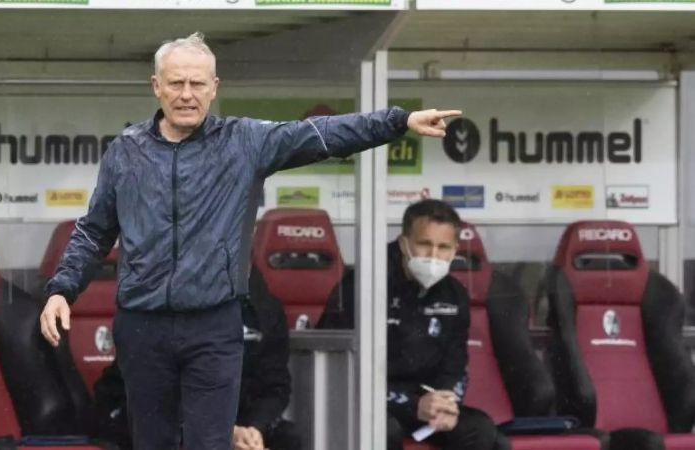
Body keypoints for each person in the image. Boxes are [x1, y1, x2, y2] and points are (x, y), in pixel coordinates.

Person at [39, 31, 460, 450]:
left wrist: (399, 122)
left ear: (214, 87)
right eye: (176, 83)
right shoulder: (125, 152)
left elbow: (321, 134)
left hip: (214, 325)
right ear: (157, 86)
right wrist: (62, 289)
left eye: (198, 83)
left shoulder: (245, 142)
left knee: (209, 444)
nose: (187, 94)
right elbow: (94, 231)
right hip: (142, 326)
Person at [318, 199, 499, 450]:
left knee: (481, 430)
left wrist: (446, 401)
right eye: (425, 244)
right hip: (367, 403)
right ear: (404, 243)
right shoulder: (364, 284)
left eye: (444, 247)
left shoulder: (455, 294)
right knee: (381, 431)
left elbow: (456, 363)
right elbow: (341, 370)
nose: (434, 256)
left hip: (423, 404)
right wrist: (411, 403)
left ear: (456, 249)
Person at [91, 280, 299, 450]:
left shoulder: (265, 308)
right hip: (146, 408)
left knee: (287, 438)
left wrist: (254, 429)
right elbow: (156, 389)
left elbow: (276, 385)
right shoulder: (163, 298)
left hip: (233, 417)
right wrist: (224, 432)